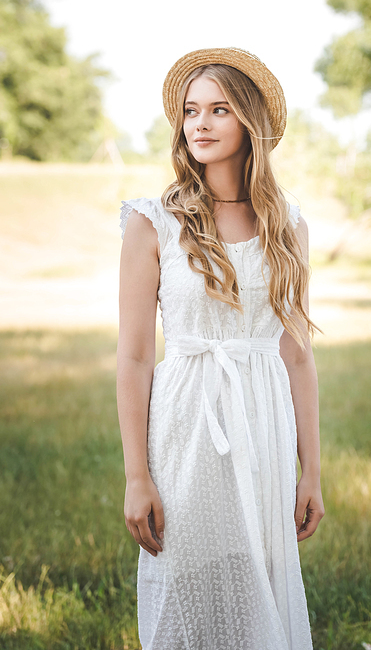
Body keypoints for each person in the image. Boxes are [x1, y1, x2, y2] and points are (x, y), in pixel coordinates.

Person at [117, 47, 324, 650]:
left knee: (257, 570)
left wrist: (312, 471)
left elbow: (297, 355)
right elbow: (133, 358)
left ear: (249, 124)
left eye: (219, 110)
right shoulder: (153, 222)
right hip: (185, 422)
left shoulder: (287, 225)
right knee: (188, 574)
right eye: (190, 111)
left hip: (264, 421)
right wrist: (136, 476)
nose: (200, 124)